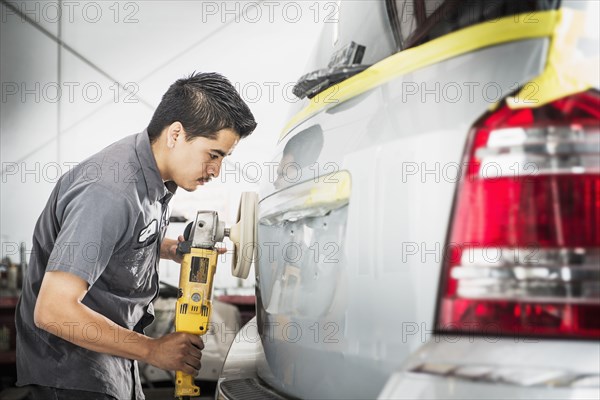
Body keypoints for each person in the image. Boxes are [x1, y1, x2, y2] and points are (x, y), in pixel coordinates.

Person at [15, 72, 257, 400]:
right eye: (213, 155)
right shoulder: (111, 190)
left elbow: (119, 239)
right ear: (176, 134)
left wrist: (169, 248)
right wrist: (151, 350)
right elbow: (53, 310)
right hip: (71, 377)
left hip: (114, 363)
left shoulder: (153, 180)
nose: (216, 170)